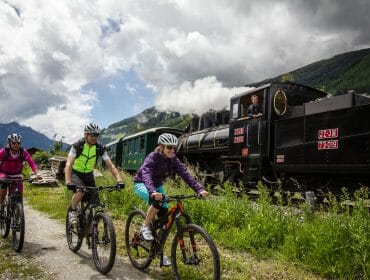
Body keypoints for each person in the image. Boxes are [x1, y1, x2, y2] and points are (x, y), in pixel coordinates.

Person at [134, 133, 209, 246]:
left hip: (157, 185)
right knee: (157, 201)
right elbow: (146, 174)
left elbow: (185, 174)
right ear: (161, 146)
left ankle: (158, 249)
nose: (172, 150)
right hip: (142, 184)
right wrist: (152, 192)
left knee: (164, 219)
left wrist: (199, 189)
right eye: (169, 147)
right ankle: (145, 226)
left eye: (174, 147)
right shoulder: (152, 157)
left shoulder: (173, 159)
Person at [65, 122, 124, 225]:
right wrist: (68, 182)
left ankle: (90, 231)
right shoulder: (77, 146)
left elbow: (111, 166)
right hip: (76, 174)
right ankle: (73, 211)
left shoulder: (99, 148)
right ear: (85, 135)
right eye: (92, 135)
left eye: (96, 135)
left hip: (89, 175)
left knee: (94, 203)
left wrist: (119, 180)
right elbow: (69, 164)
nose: (94, 137)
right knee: (80, 192)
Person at [0, 133, 41, 205]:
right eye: (13, 143)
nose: (16, 145)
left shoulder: (23, 152)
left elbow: (31, 163)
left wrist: (37, 173)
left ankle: (19, 210)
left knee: (19, 193)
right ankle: (1, 205)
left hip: (17, 174)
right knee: (3, 187)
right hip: (4, 173)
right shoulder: (4, 151)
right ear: (9, 143)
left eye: (18, 143)